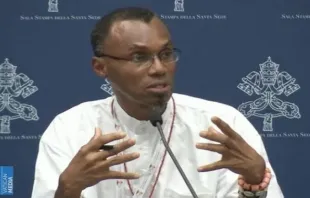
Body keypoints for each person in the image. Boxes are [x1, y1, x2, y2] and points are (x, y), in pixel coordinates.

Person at [31, 7, 284, 198]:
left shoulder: (222, 124)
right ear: (101, 67)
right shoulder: (69, 129)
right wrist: (67, 191)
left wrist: (254, 183)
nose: (159, 68)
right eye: (139, 57)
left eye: (166, 54)